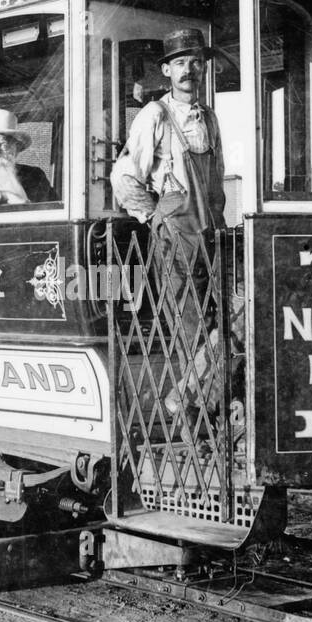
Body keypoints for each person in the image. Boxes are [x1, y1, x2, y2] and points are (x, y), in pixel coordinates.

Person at [111, 27, 234, 418]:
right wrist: (155, 217)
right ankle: (195, 416)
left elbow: (217, 182)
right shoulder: (155, 115)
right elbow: (124, 177)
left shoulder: (210, 119)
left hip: (210, 232)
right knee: (191, 326)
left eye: (196, 62)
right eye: (180, 62)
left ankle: (196, 401)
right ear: (166, 71)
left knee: (224, 322)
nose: (189, 70)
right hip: (175, 237)